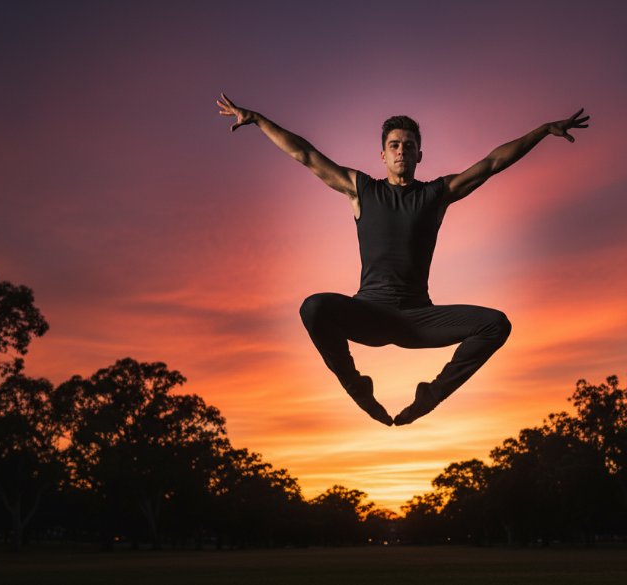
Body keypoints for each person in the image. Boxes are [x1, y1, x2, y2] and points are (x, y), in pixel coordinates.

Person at [216, 94, 589, 426]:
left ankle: (431, 395)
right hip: (369, 314)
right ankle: (358, 388)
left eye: (409, 146)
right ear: (382, 154)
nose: (401, 151)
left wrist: (542, 131)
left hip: (418, 318)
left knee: (496, 325)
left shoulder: (436, 195)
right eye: (394, 145)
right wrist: (258, 119)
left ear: (419, 155)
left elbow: (492, 163)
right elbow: (306, 155)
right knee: (313, 308)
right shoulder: (361, 189)